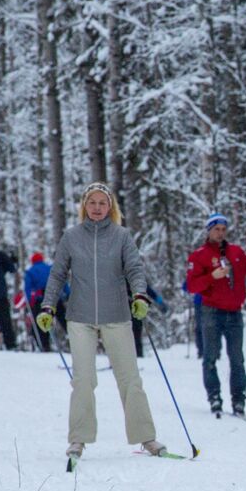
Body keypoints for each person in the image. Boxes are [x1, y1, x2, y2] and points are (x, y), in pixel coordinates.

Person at [37, 182, 166, 461]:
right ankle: (78, 440)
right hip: (80, 317)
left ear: (111, 207)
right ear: (84, 206)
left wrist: (140, 296)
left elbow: (134, 268)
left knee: (130, 379)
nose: (97, 208)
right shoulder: (71, 237)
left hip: (116, 315)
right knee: (83, 380)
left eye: (102, 203)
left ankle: (147, 437)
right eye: (92, 203)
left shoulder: (122, 236)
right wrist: (48, 306)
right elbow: (58, 274)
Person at [185, 213, 246, 416]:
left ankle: (238, 400)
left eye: (223, 229)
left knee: (237, 358)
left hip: (234, 312)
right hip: (211, 311)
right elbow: (191, 285)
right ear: (209, 230)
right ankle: (214, 397)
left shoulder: (236, 252)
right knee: (210, 357)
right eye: (216, 229)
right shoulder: (200, 255)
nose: (220, 233)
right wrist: (211, 277)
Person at [130, 284, 169, 358]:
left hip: (135, 306)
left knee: (136, 334)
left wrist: (159, 301)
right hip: (123, 308)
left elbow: (145, 287)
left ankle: (138, 358)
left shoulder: (134, 276)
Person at [24, 252, 53, 351]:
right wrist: (67, 293)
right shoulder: (49, 268)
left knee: (41, 322)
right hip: (53, 297)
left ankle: (44, 345)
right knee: (63, 319)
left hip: (40, 299)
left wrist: (29, 302)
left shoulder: (30, 271)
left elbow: (27, 288)